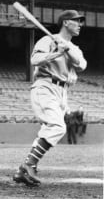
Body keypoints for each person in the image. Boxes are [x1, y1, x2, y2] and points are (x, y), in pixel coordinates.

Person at [13, 10, 86, 186]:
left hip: (62, 92)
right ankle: (28, 165)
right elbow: (35, 60)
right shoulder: (47, 40)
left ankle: (25, 170)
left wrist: (66, 49)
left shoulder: (74, 47)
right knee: (58, 127)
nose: (80, 25)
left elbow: (82, 65)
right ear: (66, 22)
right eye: (77, 21)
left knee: (49, 129)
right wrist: (57, 53)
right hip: (45, 86)